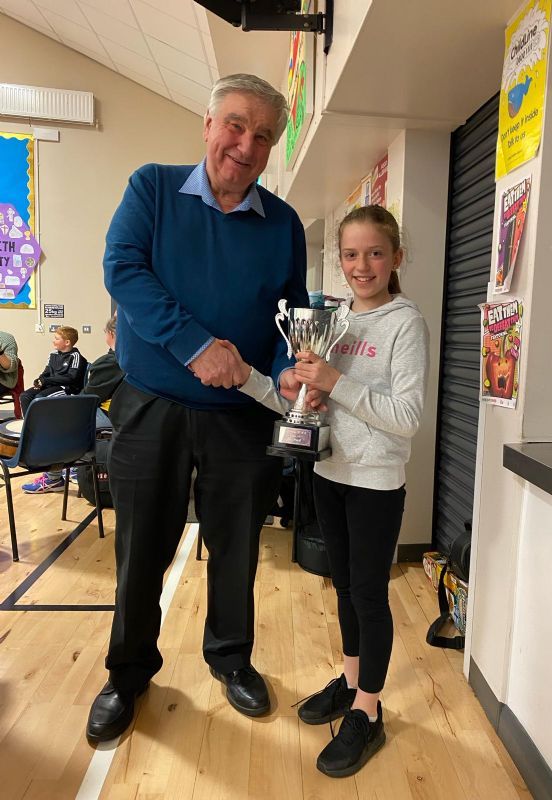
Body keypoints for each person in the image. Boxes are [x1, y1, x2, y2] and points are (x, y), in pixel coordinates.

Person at [86, 74, 312, 744]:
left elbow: (291, 317)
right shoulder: (152, 188)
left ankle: (231, 658)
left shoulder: (284, 224)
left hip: (242, 414)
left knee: (238, 547)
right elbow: (123, 270)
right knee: (140, 548)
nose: (246, 145)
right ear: (208, 124)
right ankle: (127, 673)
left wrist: (288, 370)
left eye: (263, 136)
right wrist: (194, 346)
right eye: (236, 125)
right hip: (150, 404)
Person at [227, 205, 429, 777]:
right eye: (351, 254)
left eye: (375, 253)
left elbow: (408, 417)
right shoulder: (331, 321)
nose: (362, 265)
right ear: (339, 260)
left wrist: (336, 381)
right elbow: (306, 401)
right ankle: (350, 679)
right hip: (328, 472)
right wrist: (260, 381)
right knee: (342, 587)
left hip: (375, 482)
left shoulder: (405, 323)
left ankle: (369, 709)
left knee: (369, 595)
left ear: (396, 258)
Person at [22, 316, 123, 494]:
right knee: (28, 397)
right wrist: (42, 381)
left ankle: (57, 476)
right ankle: (75, 466)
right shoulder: (139, 359)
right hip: (127, 414)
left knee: (56, 420)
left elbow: (88, 398)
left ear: (112, 334)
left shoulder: (111, 362)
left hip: (112, 415)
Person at [19, 326, 87, 420]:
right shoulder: (53, 354)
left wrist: (46, 381)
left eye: (57, 339)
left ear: (67, 342)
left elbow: (71, 378)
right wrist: (40, 380)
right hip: (51, 385)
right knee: (25, 396)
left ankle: (43, 424)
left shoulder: (75, 356)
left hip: (67, 388)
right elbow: (46, 372)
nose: (53, 341)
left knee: (40, 398)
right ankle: (29, 423)